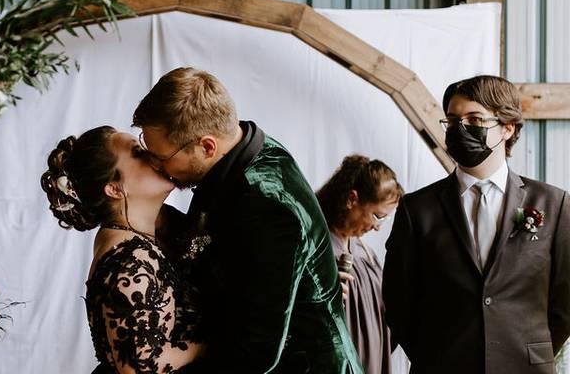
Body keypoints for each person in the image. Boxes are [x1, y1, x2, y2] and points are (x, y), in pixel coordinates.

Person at [133, 67, 361, 373]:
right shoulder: (236, 152)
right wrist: (147, 212)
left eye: (161, 157)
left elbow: (256, 352)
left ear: (207, 146)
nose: (156, 166)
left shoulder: (268, 204)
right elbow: (206, 241)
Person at [383, 75, 570, 373]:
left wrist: (530, 352)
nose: (461, 129)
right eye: (453, 120)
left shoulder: (553, 204)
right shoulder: (416, 209)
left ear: (507, 128)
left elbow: (564, 303)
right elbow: (398, 302)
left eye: (475, 119)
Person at [41, 126, 205, 373]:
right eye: (138, 153)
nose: (154, 155)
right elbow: (138, 367)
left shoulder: (138, 234)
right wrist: (211, 343)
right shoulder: (132, 259)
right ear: (115, 189)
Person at [317, 155, 403, 374]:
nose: (378, 227)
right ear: (352, 199)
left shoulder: (367, 255)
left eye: (384, 219)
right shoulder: (315, 248)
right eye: (377, 216)